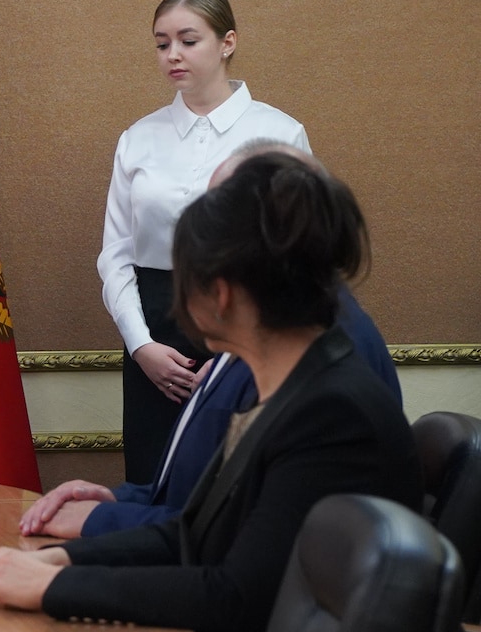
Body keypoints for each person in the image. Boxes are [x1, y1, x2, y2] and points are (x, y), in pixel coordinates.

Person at [0, 152, 420, 632]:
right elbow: (193, 533)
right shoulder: (289, 381)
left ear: (221, 294)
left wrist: (55, 587)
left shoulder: (330, 412)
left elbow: (236, 598)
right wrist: (62, 560)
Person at [26, 141, 401, 539]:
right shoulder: (270, 333)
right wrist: (118, 502)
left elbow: (230, 544)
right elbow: (200, 497)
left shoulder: (314, 364)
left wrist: (93, 530)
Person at [100, 0, 310, 485]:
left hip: (249, 328)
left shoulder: (280, 134)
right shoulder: (138, 138)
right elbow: (116, 254)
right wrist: (140, 345)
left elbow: (298, 255)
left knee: (236, 485)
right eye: (161, 43)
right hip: (155, 331)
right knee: (154, 483)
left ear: (227, 42)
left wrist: (247, 346)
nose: (172, 55)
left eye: (188, 40)